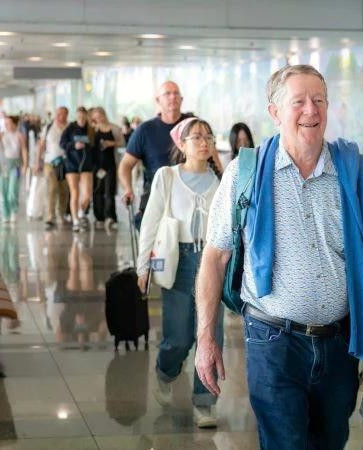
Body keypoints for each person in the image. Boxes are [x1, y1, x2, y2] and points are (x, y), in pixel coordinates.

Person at [195, 65, 363, 449]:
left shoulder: (356, 175)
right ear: (275, 111)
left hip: (341, 342)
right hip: (272, 341)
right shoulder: (244, 174)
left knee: (330, 442)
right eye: (299, 101)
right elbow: (215, 257)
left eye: (319, 100)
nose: (311, 111)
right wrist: (206, 338)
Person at [136, 117, 224, 428]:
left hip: (212, 262)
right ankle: (165, 370)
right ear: (181, 143)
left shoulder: (221, 180)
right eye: (196, 136)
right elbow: (150, 221)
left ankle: (205, 402)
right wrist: (143, 266)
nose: (204, 141)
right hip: (177, 259)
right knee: (178, 336)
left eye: (208, 136)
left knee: (211, 335)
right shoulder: (167, 176)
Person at [118, 81, 193, 227]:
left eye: (176, 93)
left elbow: (212, 159)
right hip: (155, 200)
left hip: (189, 199)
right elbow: (125, 165)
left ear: (182, 99)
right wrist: (128, 188)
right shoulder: (145, 130)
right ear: (158, 100)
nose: (173, 97)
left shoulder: (193, 126)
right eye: (167, 94)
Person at [60, 107, 96, 232]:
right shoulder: (70, 128)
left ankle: (81, 211)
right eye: (78, 116)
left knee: (87, 193)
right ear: (76, 116)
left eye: (83, 116)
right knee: (74, 193)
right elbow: (62, 143)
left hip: (86, 165)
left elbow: (94, 146)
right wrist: (73, 145)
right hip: (72, 165)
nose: (81, 119)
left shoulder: (91, 129)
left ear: (86, 116)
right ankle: (75, 220)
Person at [90, 107, 126, 229]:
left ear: (104, 115)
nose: (99, 118)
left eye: (100, 115)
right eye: (96, 116)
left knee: (109, 191)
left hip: (110, 164)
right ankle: (99, 216)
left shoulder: (114, 128)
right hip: (96, 165)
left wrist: (111, 143)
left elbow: (123, 142)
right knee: (97, 191)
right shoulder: (93, 130)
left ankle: (110, 216)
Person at [36, 106, 70, 230]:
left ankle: (61, 214)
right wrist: (37, 162)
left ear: (67, 115)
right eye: (59, 114)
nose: (61, 116)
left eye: (63, 114)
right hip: (49, 162)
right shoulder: (48, 127)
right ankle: (50, 217)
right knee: (52, 188)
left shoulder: (70, 127)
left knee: (64, 190)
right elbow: (41, 145)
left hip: (65, 163)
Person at [0, 115, 28, 224]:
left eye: (9, 123)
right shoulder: (1, 135)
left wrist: (25, 165)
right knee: (4, 190)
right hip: (3, 165)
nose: (7, 126)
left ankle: (13, 211)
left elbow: (24, 150)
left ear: (15, 124)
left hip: (15, 165)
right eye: (5, 124)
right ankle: (5, 213)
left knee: (13, 190)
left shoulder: (20, 136)